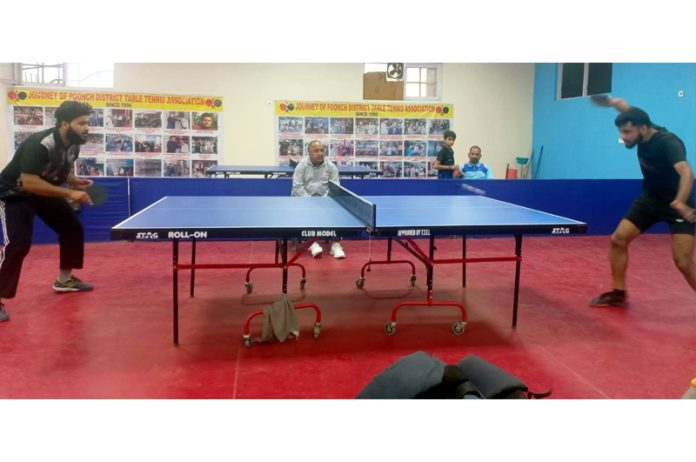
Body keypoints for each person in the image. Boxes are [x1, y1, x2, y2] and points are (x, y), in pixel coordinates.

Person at [590, 97, 696, 307]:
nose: (623, 137)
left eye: (627, 132)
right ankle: (618, 294)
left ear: (644, 128)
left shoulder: (668, 143)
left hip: (678, 205)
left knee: (683, 261)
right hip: (650, 200)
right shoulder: (641, 122)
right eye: (621, 132)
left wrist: (681, 202)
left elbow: (686, 172)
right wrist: (610, 101)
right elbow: (626, 107)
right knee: (618, 239)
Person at [0, 101, 96, 323]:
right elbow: (30, 182)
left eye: (87, 123)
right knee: (18, 244)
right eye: (81, 123)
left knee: (72, 228)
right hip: (14, 194)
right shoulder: (40, 143)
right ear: (64, 123)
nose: (86, 128)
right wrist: (70, 194)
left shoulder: (74, 144)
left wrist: (75, 181)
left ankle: (65, 280)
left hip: (40, 191)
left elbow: (60, 170)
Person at [291, 140, 345, 259]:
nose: (320, 153)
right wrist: (310, 201)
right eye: (316, 151)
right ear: (309, 153)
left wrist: (323, 201)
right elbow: (297, 187)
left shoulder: (331, 166)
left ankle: (335, 245)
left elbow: (335, 187)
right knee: (305, 212)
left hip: (325, 201)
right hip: (304, 201)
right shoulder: (302, 166)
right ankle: (312, 244)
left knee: (338, 210)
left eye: (322, 150)